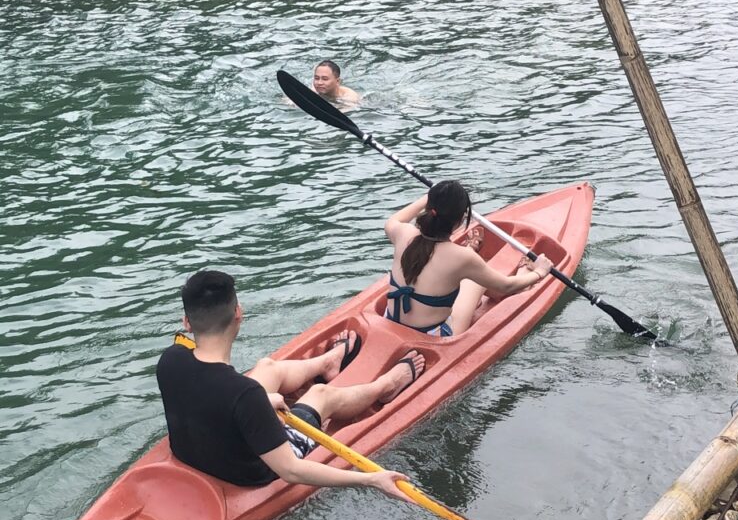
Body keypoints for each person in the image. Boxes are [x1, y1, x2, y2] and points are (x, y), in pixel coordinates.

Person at [157, 269, 424, 498]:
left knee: (267, 368)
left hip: (203, 450)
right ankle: (386, 386)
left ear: (186, 323)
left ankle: (330, 360)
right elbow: (290, 471)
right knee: (320, 394)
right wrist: (371, 479)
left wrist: (260, 402)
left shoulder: (170, 359)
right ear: (239, 314)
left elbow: (213, 388)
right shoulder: (244, 394)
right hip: (253, 471)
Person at [384, 181, 553, 338]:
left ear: (429, 209)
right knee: (477, 281)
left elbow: (394, 220)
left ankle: (471, 248)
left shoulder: (403, 233)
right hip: (432, 335)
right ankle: (523, 281)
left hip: (391, 320)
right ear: (459, 221)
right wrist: (540, 272)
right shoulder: (462, 258)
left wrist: (428, 197)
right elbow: (506, 285)